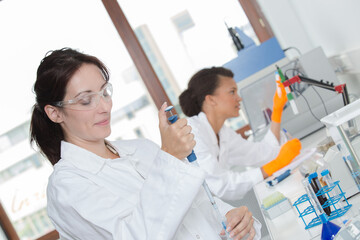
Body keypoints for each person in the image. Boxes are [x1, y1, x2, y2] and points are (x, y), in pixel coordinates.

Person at [30, 48, 262, 240]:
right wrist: (170, 157)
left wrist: (235, 218)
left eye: (104, 93)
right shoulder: (67, 186)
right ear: (55, 113)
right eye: (86, 100)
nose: (104, 107)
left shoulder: (141, 149)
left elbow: (204, 206)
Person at [179, 67, 302, 201]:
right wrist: (274, 166)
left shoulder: (223, 132)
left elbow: (262, 154)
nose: (239, 98)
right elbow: (222, 186)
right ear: (211, 100)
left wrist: (277, 112)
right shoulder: (191, 132)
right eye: (232, 92)